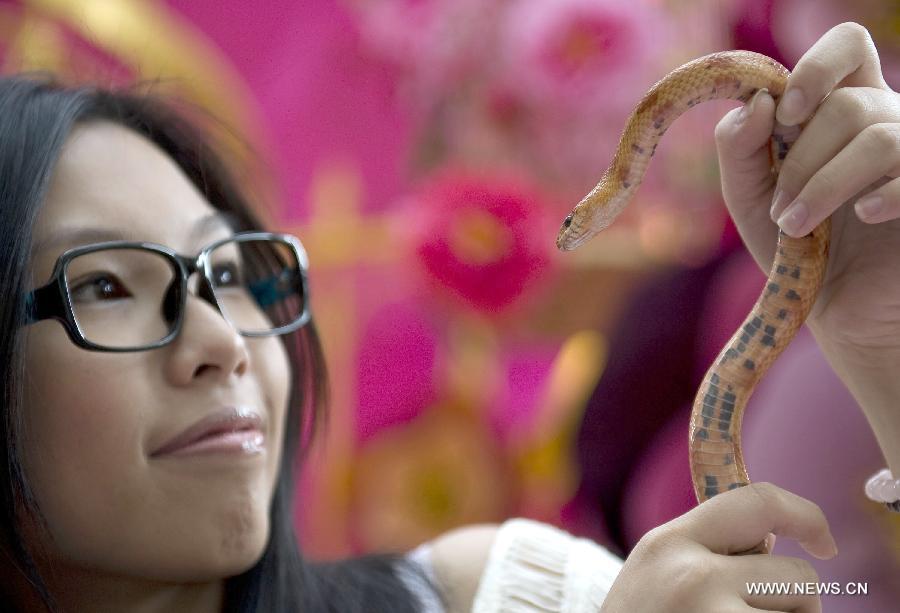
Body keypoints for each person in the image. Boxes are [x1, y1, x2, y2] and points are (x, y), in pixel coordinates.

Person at [0, 21, 893, 613]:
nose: (224, 341)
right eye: (107, 287)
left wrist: (881, 346)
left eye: (231, 269)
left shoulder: (504, 594)